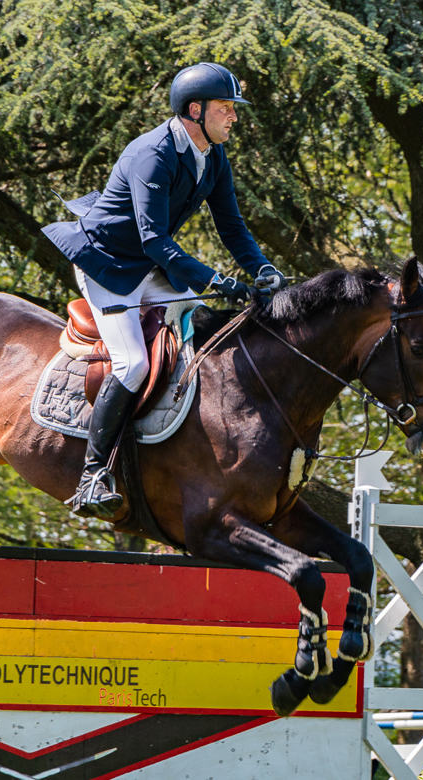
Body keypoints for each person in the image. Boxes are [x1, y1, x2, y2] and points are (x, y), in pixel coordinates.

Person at [42, 62, 285, 518]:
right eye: (226, 108)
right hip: (108, 265)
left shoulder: (212, 155)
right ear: (196, 110)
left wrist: (263, 268)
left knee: (205, 331)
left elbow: (232, 226)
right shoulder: (152, 154)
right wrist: (213, 280)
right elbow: (154, 237)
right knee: (132, 364)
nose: (234, 117)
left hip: (149, 264)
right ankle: (93, 475)